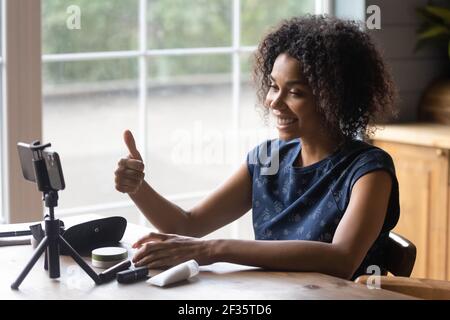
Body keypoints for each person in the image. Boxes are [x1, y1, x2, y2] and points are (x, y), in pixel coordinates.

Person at [114, 15, 398, 280]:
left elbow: (341, 259)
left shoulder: (368, 171)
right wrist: (137, 187)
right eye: (274, 86)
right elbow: (187, 226)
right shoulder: (267, 159)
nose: (274, 102)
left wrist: (211, 250)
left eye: (295, 92)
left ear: (335, 99)